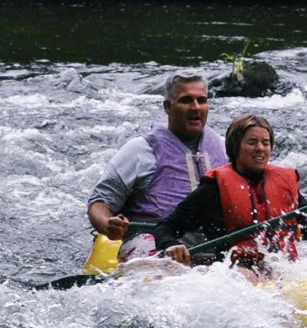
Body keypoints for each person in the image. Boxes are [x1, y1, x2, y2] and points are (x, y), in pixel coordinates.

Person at [155, 114, 307, 269]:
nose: (260, 148)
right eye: (252, 142)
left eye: (265, 143)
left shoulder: (284, 184)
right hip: (236, 273)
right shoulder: (213, 189)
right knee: (246, 274)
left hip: (285, 270)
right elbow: (165, 227)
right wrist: (170, 245)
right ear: (235, 147)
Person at [86, 71, 227, 256]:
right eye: (186, 100)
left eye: (201, 100)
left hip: (212, 242)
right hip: (152, 241)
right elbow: (99, 202)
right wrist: (107, 225)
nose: (196, 107)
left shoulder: (225, 149)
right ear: (168, 106)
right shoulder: (139, 151)